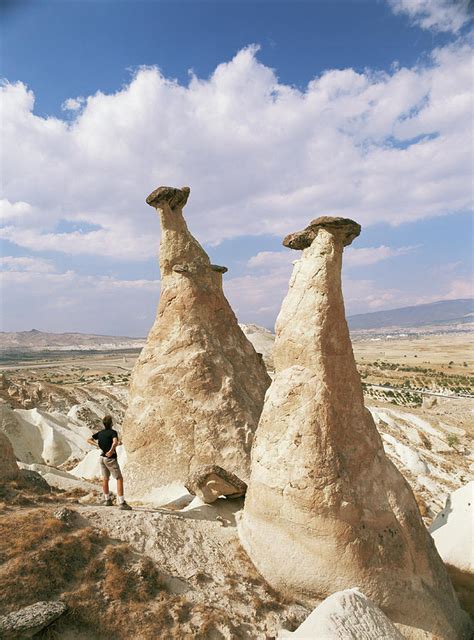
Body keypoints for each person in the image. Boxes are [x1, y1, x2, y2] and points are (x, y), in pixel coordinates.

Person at [87, 415, 131, 510]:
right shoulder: (113, 432)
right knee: (119, 478)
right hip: (110, 459)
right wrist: (111, 450)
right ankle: (122, 503)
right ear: (111, 424)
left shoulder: (100, 433)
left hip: (102, 458)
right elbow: (115, 442)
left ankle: (107, 500)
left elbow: (88, 440)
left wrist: (97, 445)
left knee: (105, 479)